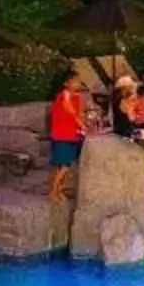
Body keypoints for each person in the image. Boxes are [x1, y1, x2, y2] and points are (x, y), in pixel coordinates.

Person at [47, 74, 88, 206]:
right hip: (62, 135)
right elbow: (69, 110)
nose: (78, 83)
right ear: (66, 83)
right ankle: (53, 192)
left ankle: (58, 190)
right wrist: (82, 125)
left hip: (71, 135)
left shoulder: (76, 97)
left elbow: (78, 114)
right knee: (64, 166)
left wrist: (82, 123)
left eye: (79, 81)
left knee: (65, 166)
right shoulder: (63, 95)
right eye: (75, 81)